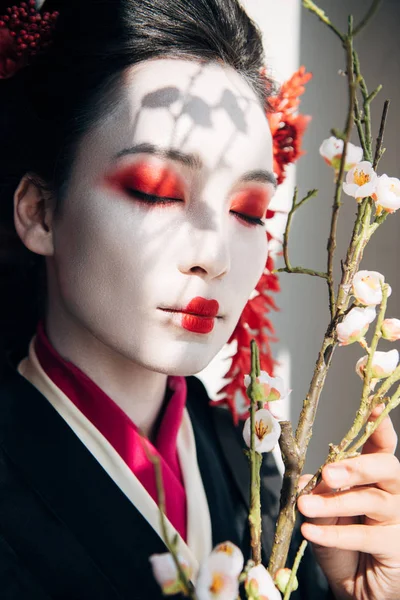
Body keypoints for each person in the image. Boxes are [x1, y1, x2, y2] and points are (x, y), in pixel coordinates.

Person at [0, 1, 399, 599]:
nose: (214, 254)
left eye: (248, 212)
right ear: (40, 212)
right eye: (155, 192)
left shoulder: (259, 480)